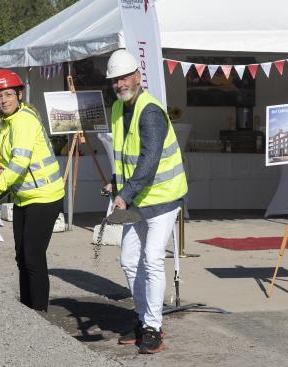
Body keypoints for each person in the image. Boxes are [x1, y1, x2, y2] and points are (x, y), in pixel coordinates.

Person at [104, 49, 188, 353]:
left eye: (125, 77)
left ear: (138, 77)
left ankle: (154, 327)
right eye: (115, 79)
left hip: (162, 198)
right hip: (137, 199)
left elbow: (149, 159)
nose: (120, 83)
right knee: (128, 260)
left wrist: (124, 196)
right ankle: (141, 319)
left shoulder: (150, 111)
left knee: (152, 259)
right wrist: (115, 185)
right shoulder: (117, 109)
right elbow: (123, 155)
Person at [0, 69, 64, 312]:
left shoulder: (24, 121)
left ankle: (39, 313)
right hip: (24, 198)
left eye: (8, 94)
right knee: (22, 256)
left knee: (33, 256)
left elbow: (19, 163)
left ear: (19, 94)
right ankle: (27, 311)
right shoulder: (8, 123)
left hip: (45, 196)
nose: (4, 100)